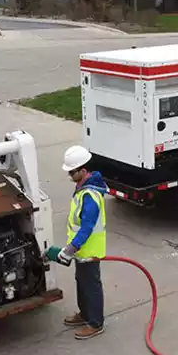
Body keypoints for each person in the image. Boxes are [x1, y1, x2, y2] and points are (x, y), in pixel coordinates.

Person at [58, 145, 107, 340]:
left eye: (72, 171)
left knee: (91, 285)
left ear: (83, 171)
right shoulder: (82, 189)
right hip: (81, 250)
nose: (70, 175)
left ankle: (96, 323)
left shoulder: (90, 195)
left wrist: (70, 249)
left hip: (88, 250)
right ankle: (84, 314)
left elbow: (87, 227)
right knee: (82, 282)